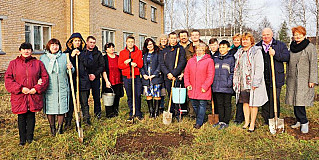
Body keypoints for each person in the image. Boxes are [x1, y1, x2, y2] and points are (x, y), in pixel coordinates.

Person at [5, 42, 49, 146]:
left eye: (28, 49)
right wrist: (20, 88)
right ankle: (22, 139)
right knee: (21, 116)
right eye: (24, 49)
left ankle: (30, 138)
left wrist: (36, 88)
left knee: (31, 116)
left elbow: (45, 77)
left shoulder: (38, 63)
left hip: (33, 94)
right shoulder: (13, 63)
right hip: (20, 95)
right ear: (20, 50)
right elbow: (8, 80)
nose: (26, 51)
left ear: (31, 51)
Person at [233, 32, 268, 132]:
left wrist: (256, 82)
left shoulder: (256, 51)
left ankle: (252, 123)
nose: (244, 41)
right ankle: (246, 121)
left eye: (247, 39)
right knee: (245, 102)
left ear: (251, 41)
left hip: (252, 81)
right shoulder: (239, 52)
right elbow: (237, 67)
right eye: (243, 40)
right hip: (242, 81)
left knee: (253, 103)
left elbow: (259, 67)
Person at [286, 26, 318, 134]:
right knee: (294, 100)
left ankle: (304, 122)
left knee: (300, 101)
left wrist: (312, 79)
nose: (297, 36)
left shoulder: (310, 47)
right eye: (295, 34)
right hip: (293, 78)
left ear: (304, 35)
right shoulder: (292, 47)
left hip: (304, 78)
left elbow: (313, 64)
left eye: (299, 34)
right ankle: (299, 120)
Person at [256, 28, 290, 125]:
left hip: (276, 77)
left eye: (267, 34)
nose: (265, 37)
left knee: (275, 98)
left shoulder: (280, 45)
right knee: (265, 98)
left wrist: (275, 54)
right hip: (263, 77)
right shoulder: (258, 46)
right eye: (263, 35)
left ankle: (275, 117)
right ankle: (267, 119)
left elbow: (286, 57)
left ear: (272, 35)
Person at [40, 38, 73, 136]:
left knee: (61, 108)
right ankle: (52, 128)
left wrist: (70, 68)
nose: (55, 47)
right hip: (49, 87)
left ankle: (60, 128)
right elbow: (39, 71)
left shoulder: (64, 56)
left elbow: (70, 72)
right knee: (50, 108)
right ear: (48, 46)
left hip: (62, 86)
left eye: (57, 45)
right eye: (53, 45)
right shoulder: (43, 58)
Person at [184, 43, 215, 129]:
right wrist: (187, 84)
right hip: (192, 87)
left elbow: (210, 75)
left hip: (203, 88)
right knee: (194, 104)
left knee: (202, 104)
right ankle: (200, 118)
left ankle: (199, 122)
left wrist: (205, 86)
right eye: (198, 49)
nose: (199, 51)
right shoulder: (191, 61)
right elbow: (186, 74)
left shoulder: (209, 61)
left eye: (201, 50)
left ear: (204, 51)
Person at [160, 32, 187, 121]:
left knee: (177, 96)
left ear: (177, 39)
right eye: (171, 38)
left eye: (174, 38)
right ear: (169, 39)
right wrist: (168, 74)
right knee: (170, 94)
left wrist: (174, 73)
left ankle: (178, 113)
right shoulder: (165, 50)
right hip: (167, 77)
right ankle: (171, 112)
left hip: (176, 76)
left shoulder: (180, 49)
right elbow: (162, 64)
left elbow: (182, 62)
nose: (173, 40)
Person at [63, 32, 86, 129]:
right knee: (70, 102)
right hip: (71, 81)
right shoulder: (66, 54)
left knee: (83, 101)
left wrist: (80, 55)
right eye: (75, 41)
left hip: (82, 81)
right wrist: (72, 56)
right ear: (71, 42)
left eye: (79, 41)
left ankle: (85, 119)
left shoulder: (85, 53)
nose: (77, 43)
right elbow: (64, 66)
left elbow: (88, 64)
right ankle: (68, 120)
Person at [118, 35, 144, 121]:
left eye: (132, 42)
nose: (130, 43)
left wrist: (134, 63)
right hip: (126, 77)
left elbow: (140, 64)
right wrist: (127, 64)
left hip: (135, 77)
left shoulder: (138, 52)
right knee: (129, 95)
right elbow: (120, 66)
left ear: (134, 43)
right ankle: (132, 112)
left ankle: (138, 113)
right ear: (126, 42)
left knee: (137, 94)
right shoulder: (122, 53)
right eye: (129, 42)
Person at [211, 40, 235, 130]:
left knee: (227, 104)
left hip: (227, 86)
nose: (221, 49)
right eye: (220, 47)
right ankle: (220, 120)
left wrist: (229, 82)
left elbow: (232, 72)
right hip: (217, 85)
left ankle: (226, 121)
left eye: (224, 47)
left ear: (228, 48)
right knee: (219, 104)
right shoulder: (216, 58)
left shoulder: (231, 58)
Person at [140, 38, 164, 118]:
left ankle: (156, 112)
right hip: (146, 79)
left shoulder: (158, 53)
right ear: (146, 46)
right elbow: (141, 66)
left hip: (156, 77)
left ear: (153, 44)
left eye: (151, 44)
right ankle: (151, 112)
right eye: (148, 45)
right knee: (148, 95)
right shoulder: (144, 55)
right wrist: (144, 75)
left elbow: (160, 65)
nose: (149, 46)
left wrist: (154, 74)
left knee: (157, 95)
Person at [83, 36, 105, 119]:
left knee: (96, 97)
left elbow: (102, 65)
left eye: (94, 43)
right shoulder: (83, 53)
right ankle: (86, 114)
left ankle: (98, 113)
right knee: (85, 98)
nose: (92, 44)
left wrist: (95, 74)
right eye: (91, 42)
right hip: (85, 78)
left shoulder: (98, 53)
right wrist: (87, 75)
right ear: (87, 42)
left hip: (95, 78)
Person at [102, 43, 124, 118]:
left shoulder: (118, 57)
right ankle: (109, 114)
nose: (112, 49)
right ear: (106, 50)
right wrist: (106, 81)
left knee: (117, 96)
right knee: (109, 97)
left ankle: (115, 112)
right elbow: (104, 70)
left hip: (118, 80)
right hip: (109, 80)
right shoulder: (104, 58)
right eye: (109, 47)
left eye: (112, 47)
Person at [230, 34, 244, 125]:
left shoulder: (242, 51)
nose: (236, 42)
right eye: (235, 40)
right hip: (232, 76)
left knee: (240, 98)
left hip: (240, 76)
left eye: (238, 40)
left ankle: (239, 118)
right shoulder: (230, 50)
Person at [156, 34, 168, 113]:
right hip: (159, 71)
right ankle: (160, 106)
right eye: (162, 39)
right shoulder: (157, 50)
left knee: (164, 89)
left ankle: (163, 105)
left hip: (166, 70)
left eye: (165, 39)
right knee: (159, 89)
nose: (163, 41)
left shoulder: (168, 49)